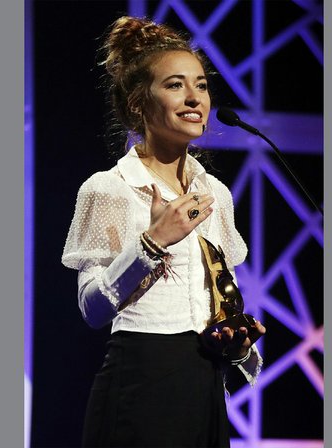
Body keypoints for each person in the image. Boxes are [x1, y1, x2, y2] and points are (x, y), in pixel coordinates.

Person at [61, 16, 265, 448]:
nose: (194, 98)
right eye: (175, 85)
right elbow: (91, 309)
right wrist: (153, 244)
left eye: (202, 85)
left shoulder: (216, 195)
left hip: (204, 385)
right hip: (140, 383)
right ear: (138, 104)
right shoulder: (109, 189)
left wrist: (236, 344)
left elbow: (213, 301)